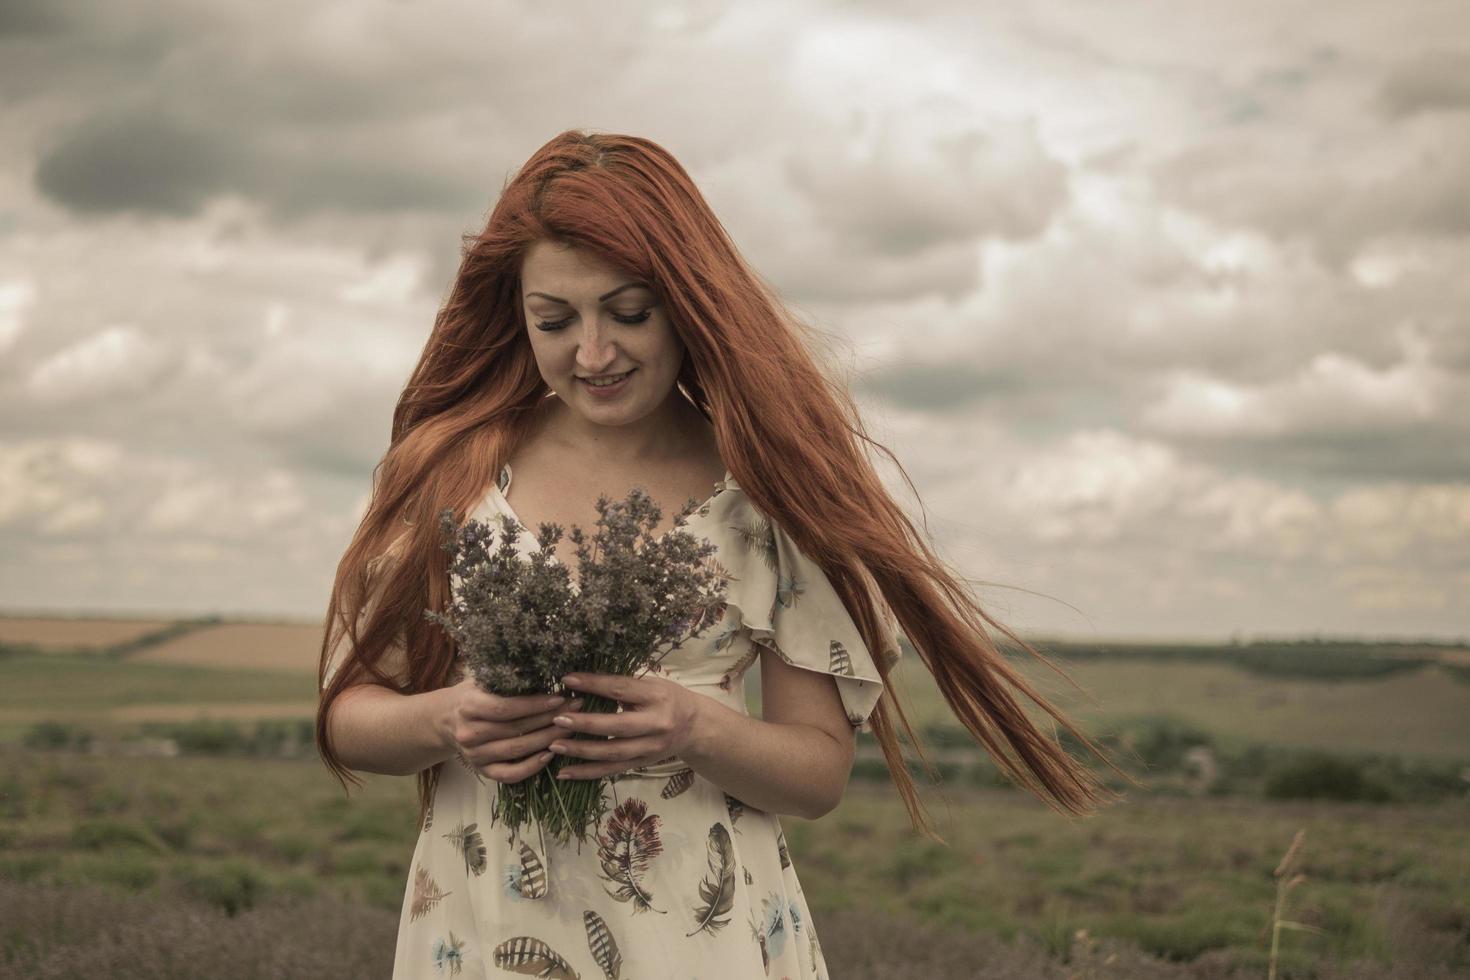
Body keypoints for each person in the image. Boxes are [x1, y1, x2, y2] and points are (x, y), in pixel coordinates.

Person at [315, 130, 1129, 979]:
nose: (593, 353)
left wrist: (696, 726)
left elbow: (816, 776)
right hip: (483, 934)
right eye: (554, 320)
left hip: (703, 940)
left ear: (688, 302)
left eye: (629, 313)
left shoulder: (767, 492)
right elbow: (350, 715)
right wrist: (444, 719)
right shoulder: (455, 472)